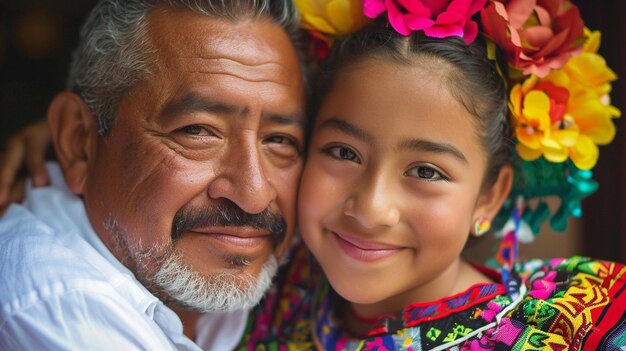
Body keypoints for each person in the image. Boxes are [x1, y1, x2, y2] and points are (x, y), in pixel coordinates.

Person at [231, 1, 626, 350]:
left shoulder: (578, 325)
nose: (371, 210)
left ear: (490, 195)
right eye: (343, 152)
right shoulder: (267, 293)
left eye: (425, 171)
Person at [0, 0, 307, 349]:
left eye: (280, 140)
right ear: (78, 142)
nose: (254, 195)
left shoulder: (326, 253)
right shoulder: (62, 311)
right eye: (197, 131)